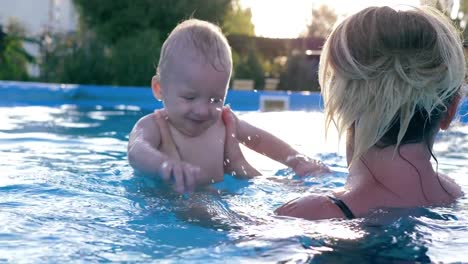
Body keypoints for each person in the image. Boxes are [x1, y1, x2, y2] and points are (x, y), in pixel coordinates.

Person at [225, 6, 465, 220]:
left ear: (342, 103)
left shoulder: (314, 213)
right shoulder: (453, 194)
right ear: (450, 110)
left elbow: (242, 238)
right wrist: (298, 162)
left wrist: (235, 168)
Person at [127, 19, 329, 194]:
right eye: (189, 98)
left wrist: (296, 160)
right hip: (168, 207)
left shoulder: (222, 123)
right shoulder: (154, 125)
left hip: (219, 198)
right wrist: (164, 165)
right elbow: (137, 150)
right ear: (159, 88)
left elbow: (259, 140)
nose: (203, 110)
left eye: (215, 99)